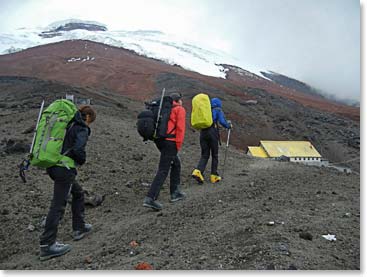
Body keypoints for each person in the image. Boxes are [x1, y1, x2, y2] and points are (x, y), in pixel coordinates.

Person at [39, 105, 96, 261]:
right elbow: (78, 149)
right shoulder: (81, 127)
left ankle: (79, 227)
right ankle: (47, 245)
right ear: (88, 117)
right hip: (64, 169)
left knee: (78, 193)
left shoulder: (66, 124)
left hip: (53, 166)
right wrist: (81, 160)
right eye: (91, 121)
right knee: (58, 204)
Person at [143, 93, 186, 211]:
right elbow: (180, 129)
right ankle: (150, 198)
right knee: (163, 169)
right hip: (170, 142)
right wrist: (178, 146)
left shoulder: (162, 108)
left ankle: (175, 192)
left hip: (160, 140)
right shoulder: (179, 109)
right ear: (178, 100)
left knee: (176, 163)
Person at [192, 97, 232, 184]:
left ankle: (198, 171)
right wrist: (228, 126)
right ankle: (214, 176)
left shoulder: (206, 111)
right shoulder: (217, 110)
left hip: (203, 133)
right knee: (215, 155)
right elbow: (222, 121)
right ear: (219, 104)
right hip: (212, 133)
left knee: (205, 154)